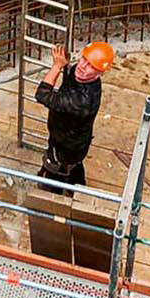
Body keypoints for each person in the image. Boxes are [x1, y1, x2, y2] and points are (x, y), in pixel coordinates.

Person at [36, 41, 116, 188]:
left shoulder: (81, 101)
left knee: (56, 174)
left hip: (66, 146)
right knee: (75, 167)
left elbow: (42, 95)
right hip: (73, 139)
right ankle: (77, 185)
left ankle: (54, 198)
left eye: (92, 66)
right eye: (84, 59)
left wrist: (57, 66)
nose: (83, 67)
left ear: (100, 73)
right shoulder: (80, 75)